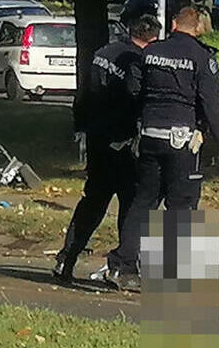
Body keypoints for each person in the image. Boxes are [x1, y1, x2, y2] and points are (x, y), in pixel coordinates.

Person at [100, 6, 219, 287]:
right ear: (197, 28)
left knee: (143, 201)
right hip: (181, 140)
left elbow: (133, 89)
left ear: (173, 24)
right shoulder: (202, 57)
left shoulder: (150, 53)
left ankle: (123, 267)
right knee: (181, 205)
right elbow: (210, 103)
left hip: (150, 136)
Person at [56, 14, 163, 281]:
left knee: (93, 200)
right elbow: (133, 96)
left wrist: (80, 123)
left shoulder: (103, 52)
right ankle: (124, 264)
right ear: (151, 38)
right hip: (121, 141)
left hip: (96, 135)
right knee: (131, 203)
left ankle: (66, 257)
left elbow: (85, 91)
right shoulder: (136, 60)